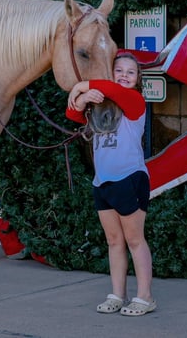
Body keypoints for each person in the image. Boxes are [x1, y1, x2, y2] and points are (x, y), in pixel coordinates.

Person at [65, 49, 156, 316]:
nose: (124, 76)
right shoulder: (102, 103)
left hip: (129, 179)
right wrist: (84, 99)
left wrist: (81, 86)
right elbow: (72, 115)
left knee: (135, 240)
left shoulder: (135, 100)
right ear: (110, 73)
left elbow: (112, 90)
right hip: (102, 182)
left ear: (137, 78)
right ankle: (118, 294)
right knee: (114, 241)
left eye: (131, 72)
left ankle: (145, 296)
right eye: (119, 71)